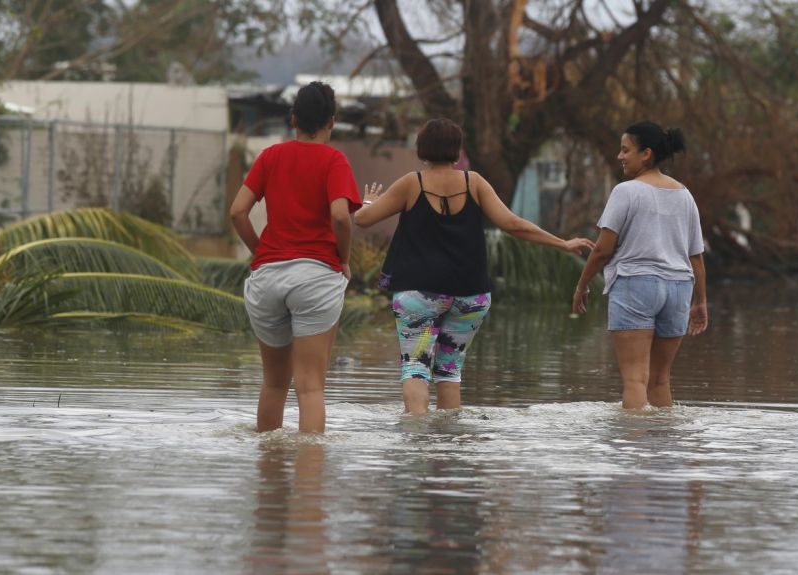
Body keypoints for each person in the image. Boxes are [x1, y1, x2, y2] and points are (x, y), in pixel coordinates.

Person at [355, 118, 594, 415]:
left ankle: (416, 437)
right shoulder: (474, 182)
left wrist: (368, 202)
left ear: (421, 149)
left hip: (419, 296)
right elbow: (513, 224)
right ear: (457, 150)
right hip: (470, 297)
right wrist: (562, 243)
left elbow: (363, 220)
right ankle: (449, 436)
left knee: (415, 367)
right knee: (449, 369)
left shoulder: (411, 183)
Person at [229, 81, 361, 433]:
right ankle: (310, 467)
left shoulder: (270, 156)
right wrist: (344, 259)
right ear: (331, 121)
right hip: (316, 278)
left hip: (267, 279)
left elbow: (237, 212)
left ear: (293, 119)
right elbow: (340, 216)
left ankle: (268, 462)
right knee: (310, 387)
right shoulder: (334, 160)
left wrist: (262, 253)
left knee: (274, 383)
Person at [572, 121, 708, 409]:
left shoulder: (627, 191)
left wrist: (582, 285)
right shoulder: (685, 195)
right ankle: (663, 439)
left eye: (626, 150)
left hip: (636, 284)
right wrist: (701, 302)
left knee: (635, 380)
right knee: (660, 380)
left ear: (646, 154)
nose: (620, 156)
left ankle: (633, 438)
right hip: (679, 288)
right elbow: (695, 256)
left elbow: (602, 250)